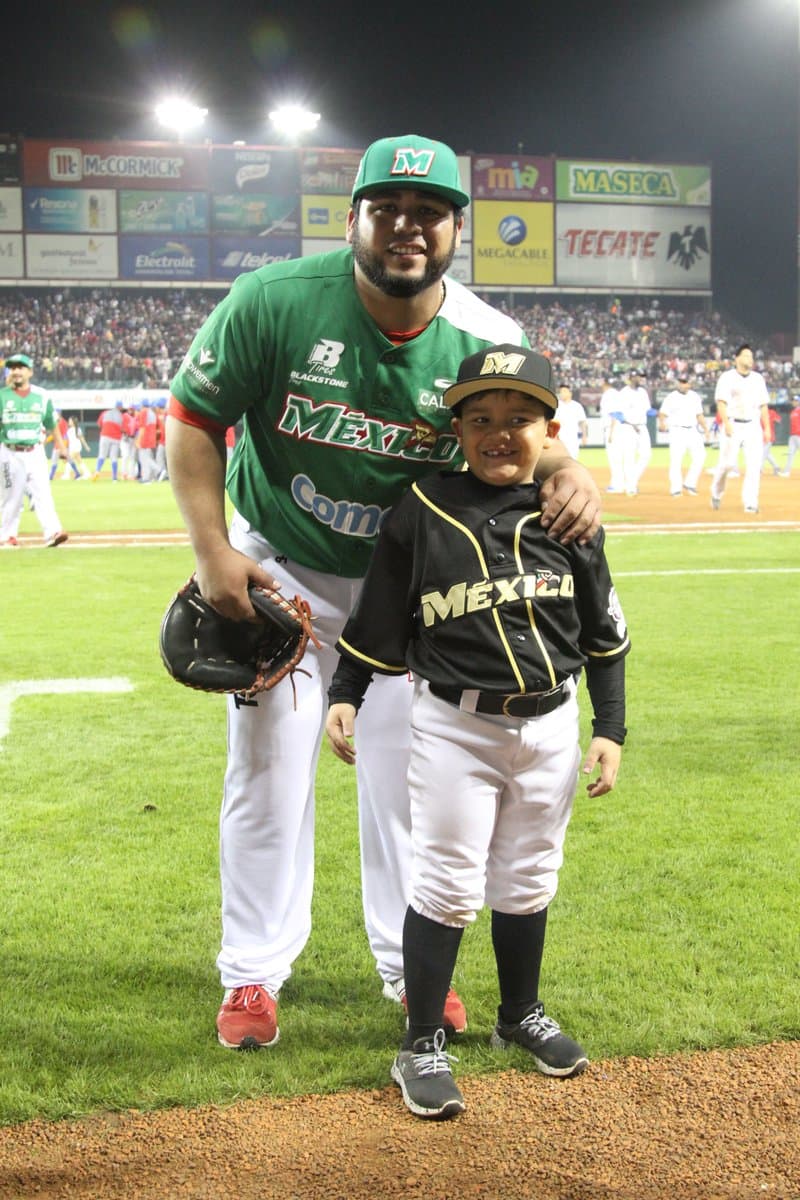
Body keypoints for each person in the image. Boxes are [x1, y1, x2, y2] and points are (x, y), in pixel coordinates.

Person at [165, 133, 601, 1052]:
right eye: (388, 208)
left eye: (429, 212)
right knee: (267, 772)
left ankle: (411, 974)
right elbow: (194, 419)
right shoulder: (274, 302)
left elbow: (530, 435)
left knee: (411, 783)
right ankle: (252, 972)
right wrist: (212, 552)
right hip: (277, 573)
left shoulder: (485, 339)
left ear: (454, 229)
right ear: (354, 217)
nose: (408, 227)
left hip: (403, 594)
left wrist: (572, 470)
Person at [325, 345, 628, 1120]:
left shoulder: (568, 514)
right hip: (455, 726)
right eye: (481, 419)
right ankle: (420, 1041)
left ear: (550, 429)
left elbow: (603, 632)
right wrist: (348, 691)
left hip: (554, 722)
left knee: (530, 877)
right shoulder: (422, 509)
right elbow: (379, 613)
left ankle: (517, 1015)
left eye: (519, 419)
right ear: (455, 429)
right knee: (449, 883)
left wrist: (611, 727)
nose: (500, 433)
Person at [0, 353, 69, 547]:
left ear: (30, 372)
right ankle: (7, 536)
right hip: (9, 452)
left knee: (43, 493)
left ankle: (53, 532)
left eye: (21, 368)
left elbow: (51, 423)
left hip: (35, 450)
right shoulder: (2, 396)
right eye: (12, 368)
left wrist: (62, 447)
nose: (16, 372)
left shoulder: (42, 395)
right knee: (10, 497)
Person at [710, 345, 770, 514]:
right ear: (736, 358)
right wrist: (727, 423)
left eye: (751, 356)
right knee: (727, 464)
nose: (749, 359)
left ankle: (750, 502)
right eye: (745, 356)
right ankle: (716, 492)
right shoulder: (727, 377)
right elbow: (721, 402)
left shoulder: (758, 379)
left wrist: (767, 428)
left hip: (752, 424)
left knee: (754, 465)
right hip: (733, 423)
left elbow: (763, 405)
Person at [657, 374, 710, 496]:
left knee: (701, 456)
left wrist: (706, 429)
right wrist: (662, 423)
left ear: (689, 384)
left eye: (685, 382)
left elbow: (699, 415)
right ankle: (676, 488)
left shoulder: (694, 396)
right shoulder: (671, 397)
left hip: (692, 430)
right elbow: (663, 413)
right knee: (676, 460)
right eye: (681, 382)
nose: (682, 384)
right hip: (677, 430)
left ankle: (690, 483)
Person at [611, 368, 652, 495]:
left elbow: (647, 410)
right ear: (631, 378)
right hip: (628, 428)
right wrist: (631, 424)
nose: (640, 379)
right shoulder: (624, 393)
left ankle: (631, 481)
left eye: (641, 376)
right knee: (629, 457)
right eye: (638, 376)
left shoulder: (643, 392)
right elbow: (617, 414)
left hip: (642, 426)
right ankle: (631, 488)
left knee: (646, 455)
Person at [599, 376, 624, 492]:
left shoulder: (609, 395)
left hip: (612, 428)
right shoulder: (616, 394)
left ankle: (617, 485)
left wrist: (611, 433)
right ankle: (620, 483)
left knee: (614, 458)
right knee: (617, 458)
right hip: (616, 428)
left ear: (605, 383)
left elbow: (614, 413)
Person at [554, 384, 588, 459]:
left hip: (573, 438)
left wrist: (584, 436)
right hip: (559, 437)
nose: (562, 393)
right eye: (560, 392)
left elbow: (582, 422)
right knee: (559, 459)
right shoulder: (556, 405)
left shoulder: (577, 406)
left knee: (573, 459)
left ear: (570, 393)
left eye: (564, 391)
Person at [93, 400, 124, 480]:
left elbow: (99, 424)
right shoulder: (121, 416)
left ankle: (97, 471)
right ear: (120, 407)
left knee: (102, 455)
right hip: (116, 438)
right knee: (114, 457)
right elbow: (123, 429)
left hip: (105, 436)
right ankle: (114, 477)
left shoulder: (105, 413)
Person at [781, 396, 800, 476]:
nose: (794, 402)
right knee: (790, 454)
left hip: (799, 435)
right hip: (792, 436)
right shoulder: (793, 411)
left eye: (796, 400)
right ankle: (786, 472)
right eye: (793, 400)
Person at [761, 406, 781, 476]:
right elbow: (778, 420)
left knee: (763, 453)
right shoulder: (759, 412)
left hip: (769, 436)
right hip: (762, 436)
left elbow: (778, 420)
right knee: (767, 454)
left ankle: (760, 469)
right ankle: (776, 467)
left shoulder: (771, 412)